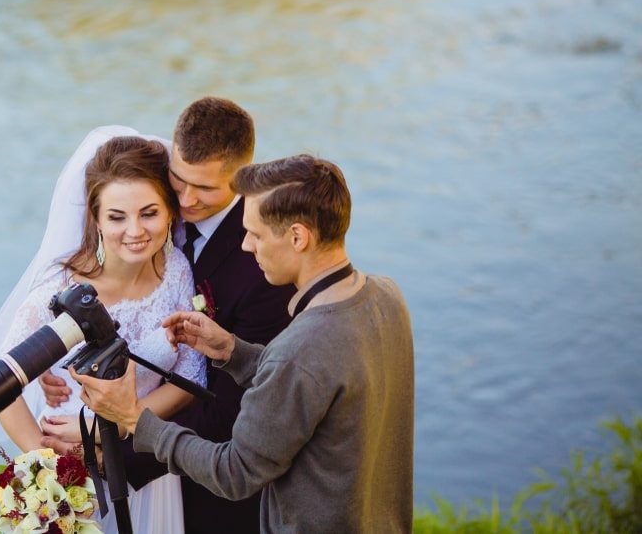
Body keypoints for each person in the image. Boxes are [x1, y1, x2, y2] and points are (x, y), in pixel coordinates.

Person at [72, 155, 415, 533]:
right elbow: (314, 381)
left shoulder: (299, 349)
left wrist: (135, 419)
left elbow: (234, 473)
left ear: (298, 237)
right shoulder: (386, 295)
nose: (247, 246)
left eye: (255, 234)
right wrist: (232, 351)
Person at [39, 97, 295, 533]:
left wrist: (110, 444)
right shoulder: (153, 208)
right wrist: (52, 361)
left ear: (243, 178)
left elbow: (231, 411)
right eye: (178, 180)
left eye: (207, 189)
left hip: (204, 487)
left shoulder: (263, 270)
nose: (187, 200)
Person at [0, 127, 206, 533]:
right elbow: (0, 383)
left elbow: (189, 378)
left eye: (148, 212)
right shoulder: (63, 288)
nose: (134, 231)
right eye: (117, 216)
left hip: (147, 466)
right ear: (95, 218)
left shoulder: (178, 274)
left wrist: (110, 426)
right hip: (74, 473)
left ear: (170, 211)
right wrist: (45, 461)